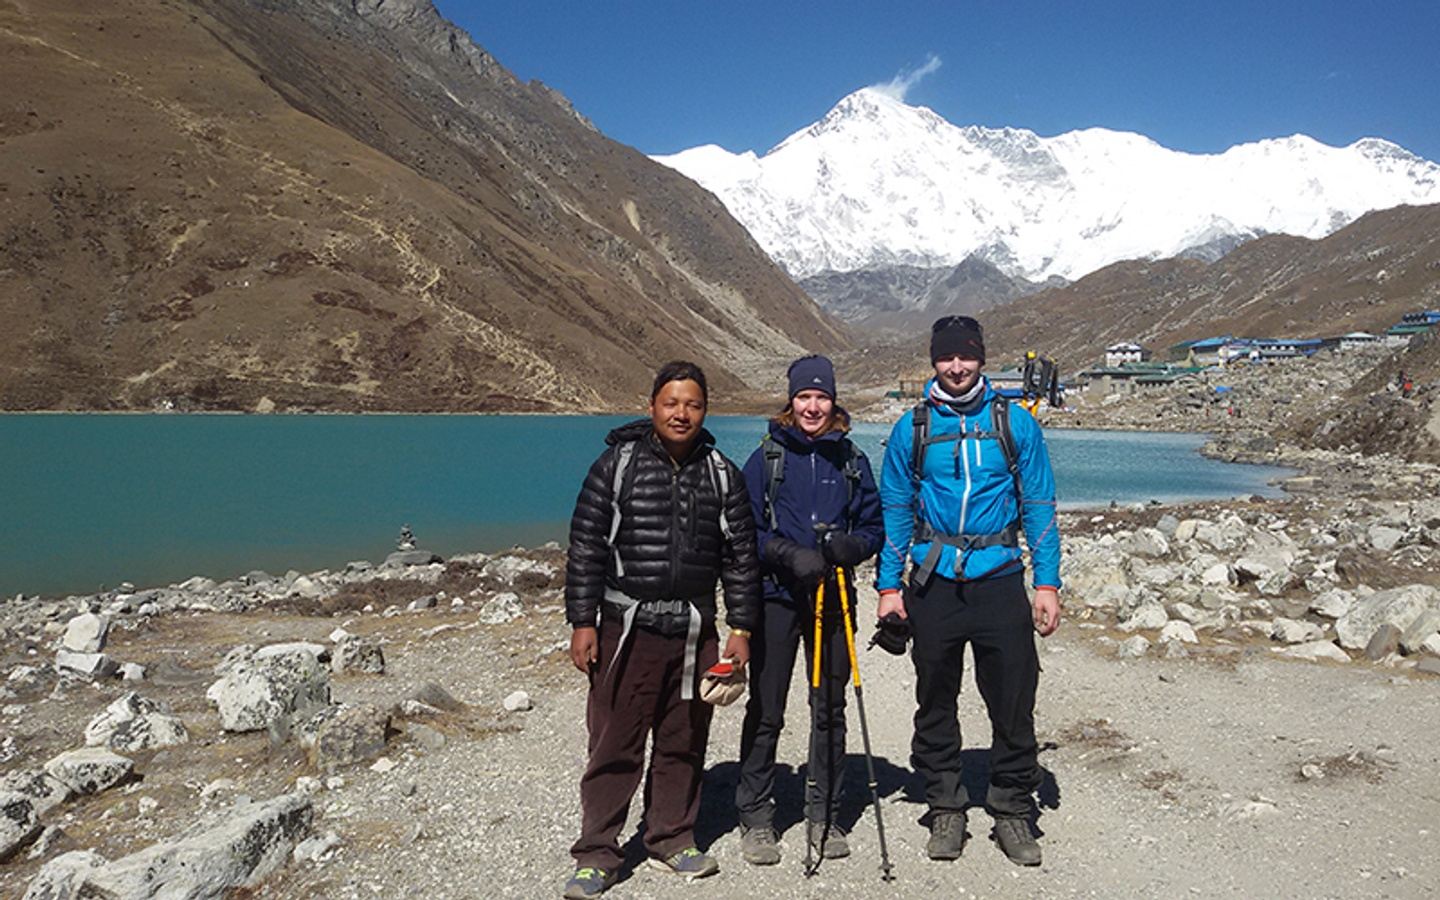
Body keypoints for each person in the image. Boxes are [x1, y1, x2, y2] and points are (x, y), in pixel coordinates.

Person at [562, 361, 761, 899]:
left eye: (693, 404)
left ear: (705, 410)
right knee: (614, 742)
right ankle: (597, 853)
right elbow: (585, 550)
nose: (681, 413)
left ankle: (670, 837)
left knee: (683, 738)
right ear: (651, 406)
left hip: (695, 630)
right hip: (626, 627)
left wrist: (741, 629)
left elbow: (741, 560)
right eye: (671, 402)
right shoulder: (615, 466)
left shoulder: (723, 474)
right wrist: (583, 622)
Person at [876, 316, 1062, 867]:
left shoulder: (1015, 423)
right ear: (934, 360)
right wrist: (890, 587)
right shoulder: (912, 427)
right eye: (946, 357)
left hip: (1000, 578)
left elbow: (1040, 505)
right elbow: (895, 511)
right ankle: (945, 805)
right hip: (932, 582)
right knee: (935, 698)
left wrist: (1046, 581)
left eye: (966, 357)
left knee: (1012, 698)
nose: (956, 367)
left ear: (981, 358)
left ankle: (1011, 808)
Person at [733, 355, 883, 866]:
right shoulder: (766, 460)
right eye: (804, 397)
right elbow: (744, 532)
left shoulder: (853, 461)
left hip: (834, 597)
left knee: (829, 710)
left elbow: (874, 527)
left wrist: (851, 548)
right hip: (777, 598)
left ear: (832, 401)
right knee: (766, 708)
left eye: (821, 397)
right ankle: (755, 817)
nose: (813, 406)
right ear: (791, 401)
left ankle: (826, 814)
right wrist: (783, 553)